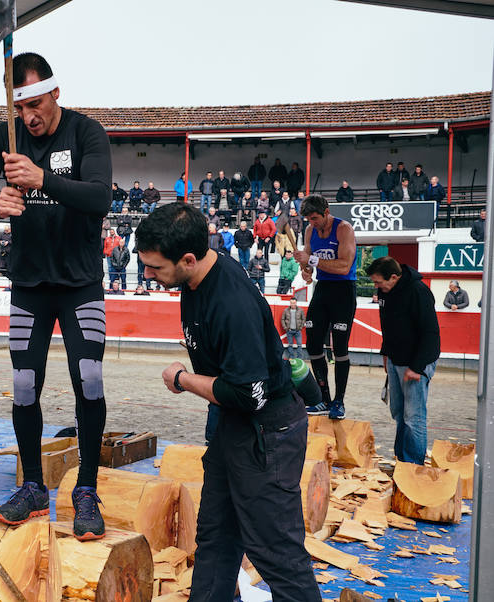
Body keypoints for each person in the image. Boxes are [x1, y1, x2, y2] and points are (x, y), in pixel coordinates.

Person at [134, 203, 321, 602]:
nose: (148, 275)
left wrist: (184, 379)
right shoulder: (191, 280)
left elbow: (249, 393)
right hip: (232, 426)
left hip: (266, 432)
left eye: (156, 268)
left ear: (188, 258)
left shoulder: (231, 302)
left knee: (275, 551)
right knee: (217, 535)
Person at [0, 52, 111, 540]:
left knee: (88, 378)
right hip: (28, 284)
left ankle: (86, 489)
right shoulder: (2, 136)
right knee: (24, 385)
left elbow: (100, 197)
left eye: (35, 102)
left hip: (80, 283)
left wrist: (42, 178)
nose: (29, 115)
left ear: (55, 93)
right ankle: (32, 485)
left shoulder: (86, 132)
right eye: (19, 105)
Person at [366, 257, 440, 465]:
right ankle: (402, 460)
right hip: (395, 358)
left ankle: (414, 466)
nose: (376, 287)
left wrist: (417, 367)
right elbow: (387, 325)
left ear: (394, 277)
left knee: (413, 416)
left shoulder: (419, 292)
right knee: (398, 412)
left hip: (417, 362)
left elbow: (431, 332)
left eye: (378, 282)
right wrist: (385, 353)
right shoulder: (385, 291)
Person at [294, 195, 357, 420]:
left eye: (315, 218)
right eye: (309, 220)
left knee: (339, 347)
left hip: (344, 290)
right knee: (312, 343)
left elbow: (344, 266)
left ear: (326, 212)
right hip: (323, 289)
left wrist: (311, 261)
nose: (312, 223)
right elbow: (309, 264)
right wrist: (306, 271)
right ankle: (324, 399)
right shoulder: (310, 231)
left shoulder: (344, 229)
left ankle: (339, 401)